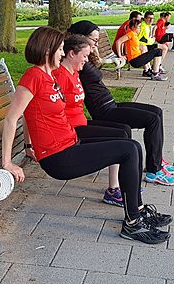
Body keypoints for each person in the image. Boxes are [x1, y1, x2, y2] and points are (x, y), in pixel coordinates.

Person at [1, 26, 172, 244]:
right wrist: (8, 162)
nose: (63, 54)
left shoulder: (50, 77)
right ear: (47, 51)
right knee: (129, 150)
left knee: (132, 146)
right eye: (60, 49)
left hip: (70, 142)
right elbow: (12, 117)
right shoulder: (33, 77)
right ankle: (132, 223)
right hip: (58, 157)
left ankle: (137, 211)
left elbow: (32, 113)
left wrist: (29, 144)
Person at [68, 21, 174, 186]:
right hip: (104, 111)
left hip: (111, 104)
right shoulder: (77, 61)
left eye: (97, 41)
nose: (96, 44)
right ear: (80, 39)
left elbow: (96, 63)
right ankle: (154, 170)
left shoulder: (87, 58)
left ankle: (156, 161)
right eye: (94, 40)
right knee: (152, 120)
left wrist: (102, 54)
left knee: (156, 112)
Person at [54, 34, 132, 207]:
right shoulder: (60, 76)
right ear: (72, 54)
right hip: (73, 129)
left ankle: (116, 186)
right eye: (85, 56)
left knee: (124, 131)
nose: (87, 60)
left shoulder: (75, 72)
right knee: (122, 141)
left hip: (82, 123)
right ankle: (114, 190)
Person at [138, 11, 169, 77]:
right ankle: (153, 69)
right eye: (149, 18)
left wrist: (152, 37)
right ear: (145, 18)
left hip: (147, 44)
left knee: (164, 47)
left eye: (153, 18)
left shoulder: (147, 25)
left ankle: (158, 65)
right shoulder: (143, 26)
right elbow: (142, 40)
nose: (151, 20)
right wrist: (153, 39)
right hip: (143, 45)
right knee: (160, 49)